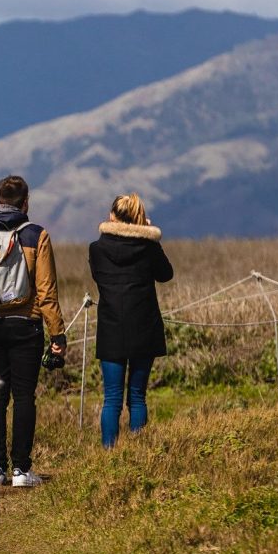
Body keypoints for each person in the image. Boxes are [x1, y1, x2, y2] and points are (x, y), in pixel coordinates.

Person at [0, 175, 66, 487]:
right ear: (25, 202)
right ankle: (21, 469)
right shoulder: (37, 235)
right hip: (26, 326)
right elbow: (46, 292)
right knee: (23, 397)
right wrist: (57, 334)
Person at [88, 192, 174, 449]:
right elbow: (166, 274)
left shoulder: (97, 248)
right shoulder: (148, 247)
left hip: (112, 326)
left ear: (112, 215)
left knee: (111, 399)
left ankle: (108, 452)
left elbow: (98, 278)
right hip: (144, 325)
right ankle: (138, 453)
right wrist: (150, 236)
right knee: (137, 397)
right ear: (138, 218)